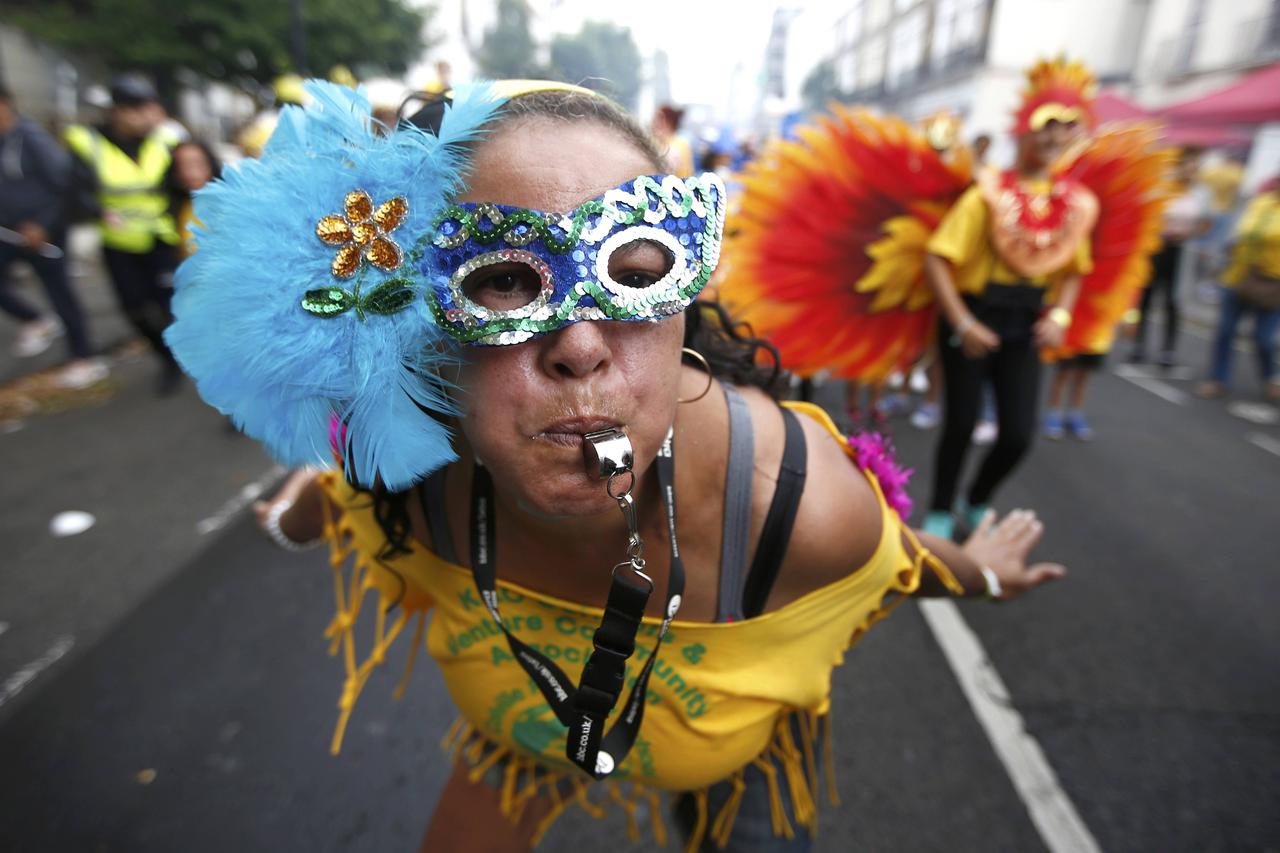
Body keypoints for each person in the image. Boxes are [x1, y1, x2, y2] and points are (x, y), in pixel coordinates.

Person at [166, 80, 1066, 852]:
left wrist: (985, 574)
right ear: (417, 328)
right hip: (528, 727)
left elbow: (904, 559)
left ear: (686, 306)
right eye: (504, 281)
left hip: (729, 747)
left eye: (637, 271)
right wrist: (297, 514)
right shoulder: (405, 476)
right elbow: (334, 491)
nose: (582, 346)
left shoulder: (794, 503)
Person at [921, 60, 1098, 538]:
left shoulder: (1076, 204)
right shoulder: (987, 194)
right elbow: (937, 259)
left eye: (1064, 133)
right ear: (1023, 135)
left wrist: (1060, 314)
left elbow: (1074, 272)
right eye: (1045, 131)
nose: (1053, 142)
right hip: (974, 313)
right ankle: (939, 510)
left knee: (1019, 434)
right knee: (959, 424)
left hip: (1025, 319)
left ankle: (975, 499)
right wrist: (961, 323)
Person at [65, 73, 182, 394]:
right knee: (135, 310)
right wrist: (94, 209)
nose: (142, 116)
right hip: (119, 244)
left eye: (146, 107)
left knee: (173, 305)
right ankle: (168, 360)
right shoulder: (88, 143)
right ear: (115, 110)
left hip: (162, 238)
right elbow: (76, 190)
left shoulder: (166, 139)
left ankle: (194, 357)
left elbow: (188, 176)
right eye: (134, 108)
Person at [0, 84, 107, 388]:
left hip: (45, 231)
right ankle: (35, 319)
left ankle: (86, 357)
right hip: (9, 232)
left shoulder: (32, 139)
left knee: (60, 292)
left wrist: (43, 224)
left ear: (6, 103)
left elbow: (64, 187)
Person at [1196, 181, 1280, 402]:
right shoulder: (1260, 203)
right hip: (1238, 277)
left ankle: (1271, 378)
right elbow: (1237, 232)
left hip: (1272, 284)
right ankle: (1218, 379)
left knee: (1264, 339)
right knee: (1225, 330)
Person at [1129, 148, 1209, 368]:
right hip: (1157, 248)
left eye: (1196, 165)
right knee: (1147, 297)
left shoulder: (1200, 194)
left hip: (1182, 252)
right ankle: (1138, 344)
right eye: (1188, 163)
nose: (1191, 169)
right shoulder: (1162, 189)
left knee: (1174, 301)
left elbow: (1205, 224)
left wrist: (1189, 232)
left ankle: (1168, 349)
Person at [165, 140, 221, 259]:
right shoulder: (176, 206)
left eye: (197, 164)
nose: (191, 173)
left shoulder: (229, 204)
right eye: (182, 166)